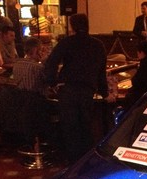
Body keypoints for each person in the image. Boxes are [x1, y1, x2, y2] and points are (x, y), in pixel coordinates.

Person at [45, 13, 114, 162]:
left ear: (72, 26)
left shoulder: (66, 42)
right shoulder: (98, 44)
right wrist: (104, 93)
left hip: (68, 89)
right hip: (87, 90)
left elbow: (51, 63)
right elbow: (101, 72)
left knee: (70, 129)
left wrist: (53, 83)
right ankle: (85, 162)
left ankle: (72, 163)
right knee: (86, 127)